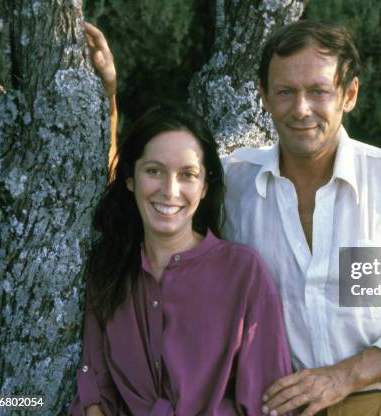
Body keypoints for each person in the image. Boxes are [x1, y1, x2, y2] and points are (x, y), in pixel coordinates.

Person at [87, 19, 381, 416]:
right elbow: (149, 187)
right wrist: (108, 96)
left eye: (318, 91)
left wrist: (343, 377)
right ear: (264, 97)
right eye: (285, 92)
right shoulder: (237, 185)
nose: (301, 109)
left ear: (348, 94)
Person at [68, 104, 292, 415]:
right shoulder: (109, 269)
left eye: (187, 174)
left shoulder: (243, 273)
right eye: (154, 171)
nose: (170, 191)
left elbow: (269, 403)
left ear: (203, 188)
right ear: (131, 178)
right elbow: (95, 392)